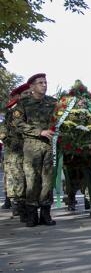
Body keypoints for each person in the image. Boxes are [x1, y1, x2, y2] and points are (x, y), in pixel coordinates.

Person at [13, 73, 58, 227]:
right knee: (32, 179)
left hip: (49, 146)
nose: (44, 85)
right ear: (32, 86)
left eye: (45, 82)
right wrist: (39, 131)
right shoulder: (23, 104)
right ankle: (31, 214)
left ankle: (45, 214)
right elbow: (17, 123)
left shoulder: (53, 103)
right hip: (31, 146)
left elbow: (59, 120)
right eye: (40, 83)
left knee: (48, 180)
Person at [0, 83, 30, 221]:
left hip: (31, 150)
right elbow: (3, 132)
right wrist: (12, 143)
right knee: (18, 179)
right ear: (19, 96)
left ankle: (28, 206)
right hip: (16, 152)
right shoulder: (13, 112)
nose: (28, 96)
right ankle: (19, 206)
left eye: (29, 93)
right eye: (25, 94)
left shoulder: (33, 110)